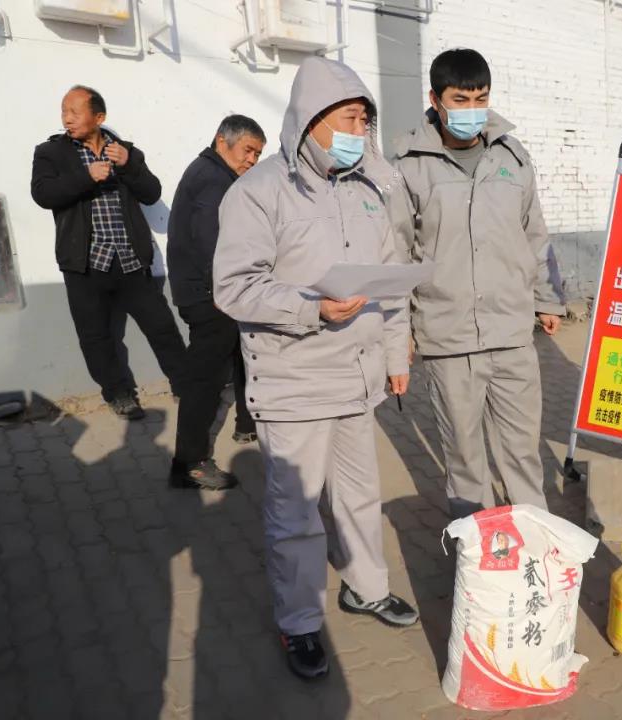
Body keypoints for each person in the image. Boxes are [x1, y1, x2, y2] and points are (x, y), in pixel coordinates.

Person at [213, 57, 419, 681]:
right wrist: (310, 308)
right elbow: (234, 287)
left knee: (360, 495)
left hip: (357, 377)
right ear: (311, 120)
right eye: (350, 117)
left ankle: (365, 586)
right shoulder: (257, 191)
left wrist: (394, 352)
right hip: (294, 381)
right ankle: (300, 622)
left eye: (365, 119)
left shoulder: (367, 190)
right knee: (296, 515)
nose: (360, 129)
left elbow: (388, 281)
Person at [392, 48, 565, 520]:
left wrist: (548, 299)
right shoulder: (409, 166)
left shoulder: (512, 156)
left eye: (481, 98)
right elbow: (398, 253)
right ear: (436, 98)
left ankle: (534, 559)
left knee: (522, 455)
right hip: (449, 339)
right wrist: (398, 332)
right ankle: (483, 568)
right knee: (465, 462)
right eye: (461, 99)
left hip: (511, 333)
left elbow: (535, 233)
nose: (472, 109)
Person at [32, 85, 186, 419]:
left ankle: (185, 386)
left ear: (98, 117)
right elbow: (43, 194)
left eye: (74, 112)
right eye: (64, 112)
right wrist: (86, 176)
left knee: (161, 326)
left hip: (131, 260)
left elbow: (151, 192)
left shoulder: (125, 151)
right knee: (96, 335)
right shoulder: (51, 153)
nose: (67, 119)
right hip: (85, 264)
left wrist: (129, 165)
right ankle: (118, 395)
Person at [166, 115, 266, 491]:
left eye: (258, 153)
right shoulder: (212, 179)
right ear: (222, 141)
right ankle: (189, 463)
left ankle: (246, 423)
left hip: (209, 294)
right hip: (211, 298)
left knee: (239, 356)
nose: (252, 160)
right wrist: (230, 291)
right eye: (248, 150)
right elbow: (213, 244)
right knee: (204, 383)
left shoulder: (212, 174)